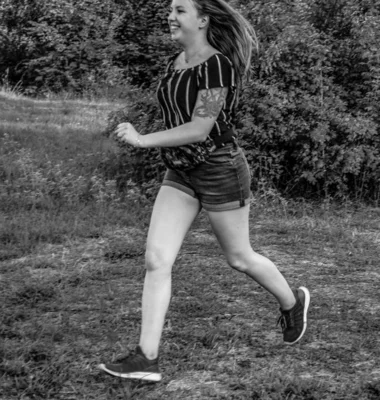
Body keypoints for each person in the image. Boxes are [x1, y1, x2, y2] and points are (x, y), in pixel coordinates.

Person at [98, 0, 310, 382]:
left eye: (180, 9)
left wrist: (144, 140)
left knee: (240, 258)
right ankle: (146, 358)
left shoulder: (217, 66)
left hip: (219, 169)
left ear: (203, 19)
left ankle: (292, 303)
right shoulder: (175, 62)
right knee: (156, 260)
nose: (171, 16)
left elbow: (200, 127)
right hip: (181, 172)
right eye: (170, 9)